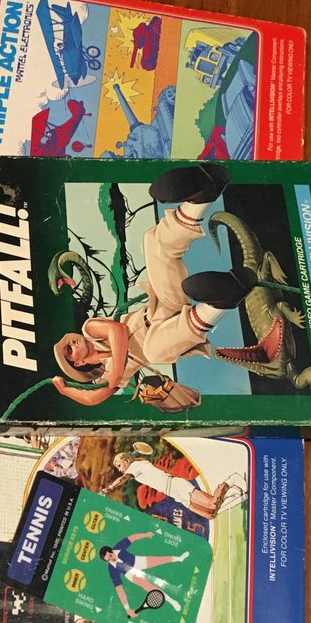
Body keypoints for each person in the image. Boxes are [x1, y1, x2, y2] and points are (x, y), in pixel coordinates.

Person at [52, 162, 256, 407]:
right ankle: (220, 301)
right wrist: (65, 390)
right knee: (154, 351)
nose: (72, 343)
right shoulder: (110, 374)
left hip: (159, 308)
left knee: (153, 244)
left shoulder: (89, 330)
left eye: (68, 342)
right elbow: (92, 399)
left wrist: (116, 371)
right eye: (69, 351)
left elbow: (117, 331)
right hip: (170, 336)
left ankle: (202, 194)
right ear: (78, 363)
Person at [109, 453, 232, 520]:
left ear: (127, 461)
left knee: (212, 504)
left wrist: (110, 487)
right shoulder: (139, 464)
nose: (119, 469)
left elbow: (123, 478)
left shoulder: (134, 466)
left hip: (176, 485)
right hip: (173, 494)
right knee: (209, 514)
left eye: (119, 466)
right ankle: (230, 493)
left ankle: (230, 482)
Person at [99, 536, 187, 617]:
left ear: (112, 551)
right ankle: (172, 601)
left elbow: (132, 538)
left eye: (110, 556)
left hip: (137, 561)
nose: (112, 559)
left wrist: (146, 534)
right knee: (149, 586)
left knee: (159, 560)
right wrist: (127, 609)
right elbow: (119, 589)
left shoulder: (118, 547)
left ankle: (179, 558)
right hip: (130, 573)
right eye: (108, 559)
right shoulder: (111, 569)